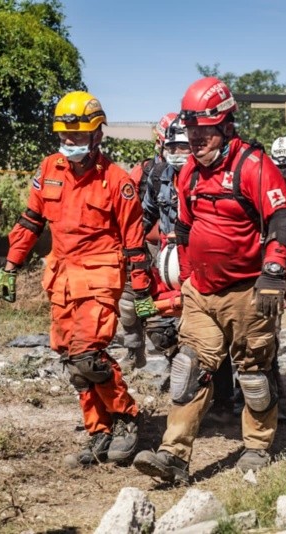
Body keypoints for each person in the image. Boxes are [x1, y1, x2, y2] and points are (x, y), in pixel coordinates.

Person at [133, 77, 286, 483]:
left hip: (248, 292)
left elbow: (283, 218)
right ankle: (173, 453)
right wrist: (186, 280)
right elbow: (186, 230)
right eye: (190, 132)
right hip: (201, 293)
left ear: (226, 126)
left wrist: (274, 270)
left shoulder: (253, 165)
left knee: (254, 375)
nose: (195, 140)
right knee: (188, 369)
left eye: (203, 132)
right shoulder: (188, 171)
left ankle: (258, 445)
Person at [0, 91, 154, 467]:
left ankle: (127, 417)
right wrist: (10, 264)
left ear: (98, 135)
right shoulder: (49, 168)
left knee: (88, 356)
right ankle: (98, 433)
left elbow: (134, 241)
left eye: (78, 137)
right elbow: (31, 220)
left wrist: (143, 290)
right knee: (71, 360)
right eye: (64, 137)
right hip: (61, 274)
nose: (69, 143)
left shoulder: (117, 181)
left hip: (100, 274)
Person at [117, 113, 184, 370]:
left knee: (179, 306)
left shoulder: (196, 172)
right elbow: (134, 213)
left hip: (181, 250)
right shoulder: (146, 172)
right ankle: (136, 349)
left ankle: (175, 353)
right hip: (147, 248)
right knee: (133, 301)